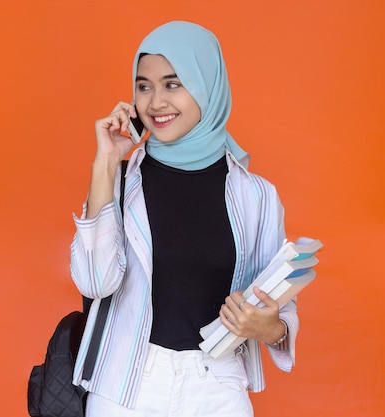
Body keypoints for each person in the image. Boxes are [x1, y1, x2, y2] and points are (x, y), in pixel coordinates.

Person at [70, 21, 298, 416]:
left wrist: (267, 329)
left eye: (173, 84)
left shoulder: (257, 195)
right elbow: (94, 283)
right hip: (127, 385)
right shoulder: (120, 181)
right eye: (144, 86)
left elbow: (280, 311)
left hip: (219, 386)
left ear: (207, 85)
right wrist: (106, 163)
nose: (155, 102)